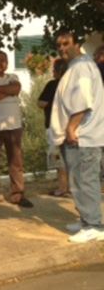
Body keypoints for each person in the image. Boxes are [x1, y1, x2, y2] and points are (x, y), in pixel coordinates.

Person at [50, 31, 104, 243]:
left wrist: (72, 128)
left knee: (84, 181)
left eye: (66, 43)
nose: (62, 48)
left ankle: (94, 225)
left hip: (83, 136)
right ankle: (86, 219)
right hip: (83, 135)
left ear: (77, 43)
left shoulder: (81, 67)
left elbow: (83, 101)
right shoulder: (78, 66)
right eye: (59, 45)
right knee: (79, 180)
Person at [0, 51, 32, 208]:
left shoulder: (13, 78)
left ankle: (17, 194)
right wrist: (5, 90)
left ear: (7, 63)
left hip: (13, 126)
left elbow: (15, 89)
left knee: (16, 161)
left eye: (3, 60)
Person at [38, 58, 69, 197]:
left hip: (55, 127)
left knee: (58, 159)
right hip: (73, 126)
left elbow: (41, 103)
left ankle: (62, 188)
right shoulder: (72, 84)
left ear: (57, 70)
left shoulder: (52, 85)